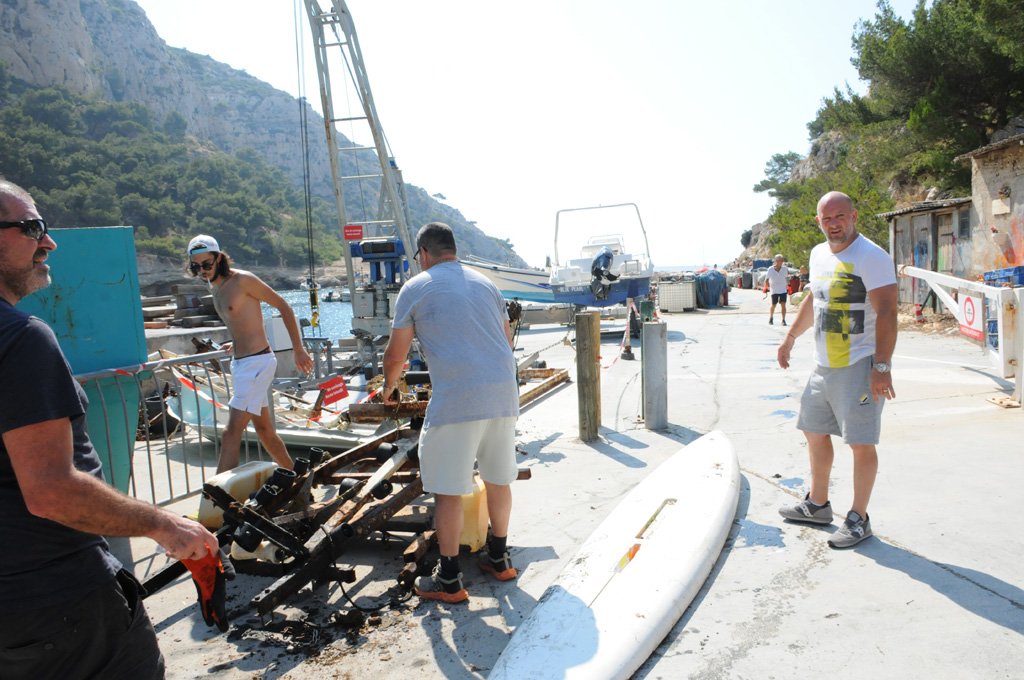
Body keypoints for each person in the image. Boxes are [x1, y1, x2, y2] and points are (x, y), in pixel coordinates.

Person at [0, 179, 220, 679]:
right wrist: (164, 524)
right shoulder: (21, 339)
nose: (48, 242)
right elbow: (51, 492)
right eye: (32, 228)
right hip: (60, 606)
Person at [381, 222, 519, 603]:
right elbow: (505, 340)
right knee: (498, 480)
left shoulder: (415, 288)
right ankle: (499, 557)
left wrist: (388, 388)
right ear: (453, 250)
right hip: (503, 393)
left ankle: (449, 579)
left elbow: (394, 356)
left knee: (447, 490)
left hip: (458, 399)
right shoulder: (487, 284)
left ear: (424, 254)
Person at [776, 191, 897, 549]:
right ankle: (817, 505)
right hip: (822, 364)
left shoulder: (871, 256)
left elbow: (888, 311)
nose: (834, 224)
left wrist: (881, 366)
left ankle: (859, 519)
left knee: (860, 442)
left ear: (853, 216)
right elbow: (815, 298)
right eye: (827, 218)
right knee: (813, 431)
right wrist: (790, 337)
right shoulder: (818, 254)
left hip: (859, 364)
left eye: (840, 216)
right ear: (818, 221)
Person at [187, 235, 314, 473]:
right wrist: (235, 343)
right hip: (241, 363)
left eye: (206, 264)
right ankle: (298, 479)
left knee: (231, 433)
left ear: (218, 258)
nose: (202, 270)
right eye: (196, 266)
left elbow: (283, 306)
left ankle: (219, 494)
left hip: (257, 364)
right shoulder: (214, 286)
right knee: (265, 431)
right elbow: (243, 319)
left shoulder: (242, 280)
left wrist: (298, 349)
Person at [764, 254, 790, 325]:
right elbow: (767, 279)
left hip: (783, 289)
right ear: (776, 261)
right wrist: (766, 287)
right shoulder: (770, 269)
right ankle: (771, 317)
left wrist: (789, 285)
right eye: (780, 260)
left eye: (782, 260)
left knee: (783, 304)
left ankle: (783, 320)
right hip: (774, 290)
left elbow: (787, 278)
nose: (781, 261)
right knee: (774, 305)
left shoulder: (785, 269)